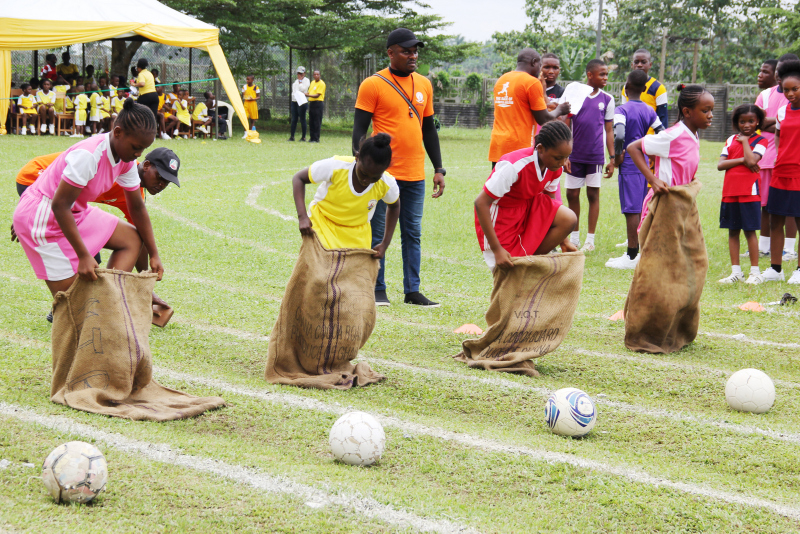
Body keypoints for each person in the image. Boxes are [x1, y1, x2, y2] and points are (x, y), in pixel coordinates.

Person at [11, 99, 164, 307]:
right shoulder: (89, 156)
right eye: (136, 147)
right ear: (117, 132)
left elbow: (137, 208)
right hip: (43, 217)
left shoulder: (126, 160)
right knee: (76, 306)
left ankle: (106, 301)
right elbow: (59, 205)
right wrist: (83, 255)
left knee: (132, 240)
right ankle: (91, 307)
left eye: (143, 149)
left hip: (74, 210)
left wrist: (154, 254)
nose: (138, 154)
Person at [352, 28, 446, 307]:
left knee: (412, 232)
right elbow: (359, 129)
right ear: (390, 52)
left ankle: (412, 291)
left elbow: (429, 129)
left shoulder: (424, 85)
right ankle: (377, 288)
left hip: (415, 174)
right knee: (377, 232)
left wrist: (438, 168)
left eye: (415, 50)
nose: (413, 55)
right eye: (406, 50)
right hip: (384, 174)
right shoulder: (373, 84)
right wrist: (362, 167)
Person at [13, 148, 181, 299]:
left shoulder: (133, 193)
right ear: (146, 166)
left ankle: (91, 303)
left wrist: (144, 283)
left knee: (92, 256)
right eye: (160, 177)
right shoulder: (116, 166)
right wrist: (29, 213)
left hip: (65, 200)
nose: (162, 185)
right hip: (34, 176)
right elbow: (54, 186)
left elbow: (140, 234)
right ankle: (69, 304)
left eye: (167, 182)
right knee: (81, 254)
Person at [474, 121, 578, 270]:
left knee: (569, 218)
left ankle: (529, 263)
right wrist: (497, 250)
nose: (562, 162)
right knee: (508, 270)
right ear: (540, 149)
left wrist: (563, 240)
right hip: (501, 217)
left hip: (527, 210)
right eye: (558, 158)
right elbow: (480, 203)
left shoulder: (554, 166)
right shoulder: (513, 166)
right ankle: (522, 267)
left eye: (566, 157)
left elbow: (550, 204)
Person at [292, 133, 401, 257]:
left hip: (357, 235)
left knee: (355, 276)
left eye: (375, 177)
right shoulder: (337, 166)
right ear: (357, 157)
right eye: (364, 173)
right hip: (323, 224)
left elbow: (394, 206)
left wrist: (385, 244)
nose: (367, 180)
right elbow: (298, 178)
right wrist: (302, 217)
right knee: (321, 271)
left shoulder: (386, 183)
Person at [626, 84, 715, 227]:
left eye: (711, 110)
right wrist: (653, 180)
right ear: (687, 112)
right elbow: (633, 147)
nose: (711, 115)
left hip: (680, 204)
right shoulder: (674, 135)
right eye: (705, 111)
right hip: (664, 204)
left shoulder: (693, 134)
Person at [605, 69, 664, 269]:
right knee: (640, 207)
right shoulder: (649, 110)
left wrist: (618, 156)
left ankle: (631, 255)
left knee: (631, 210)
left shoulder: (621, 110)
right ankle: (639, 252)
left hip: (630, 164)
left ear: (626, 87)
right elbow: (661, 132)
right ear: (644, 89)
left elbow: (619, 135)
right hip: (644, 162)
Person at [560, 59, 615, 252]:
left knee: (593, 194)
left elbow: (609, 130)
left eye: (607, 74)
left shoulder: (607, 99)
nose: (606, 78)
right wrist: (564, 154)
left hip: (595, 156)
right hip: (575, 155)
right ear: (590, 75)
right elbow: (566, 123)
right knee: (572, 194)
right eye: (602, 74)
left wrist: (612, 157)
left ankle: (590, 240)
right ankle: (574, 237)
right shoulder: (575, 95)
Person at [488, 48, 570, 167]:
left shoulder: (502, 80)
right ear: (533, 62)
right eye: (540, 65)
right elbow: (543, 119)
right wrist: (560, 110)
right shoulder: (531, 82)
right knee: (519, 185)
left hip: (498, 146)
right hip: (518, 148)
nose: (540, 70)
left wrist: (545, 106)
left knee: (500, 185)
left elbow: (518, 107)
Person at [717, 104, 768, 284]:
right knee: (732, 231)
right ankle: (736, 272)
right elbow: (720, 165)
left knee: (750, 231)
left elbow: (752, 160)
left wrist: (745, 142)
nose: (746, 125)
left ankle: (755, 273)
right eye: (742, 121)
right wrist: (741, 160)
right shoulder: (730, 140)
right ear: (737, 123)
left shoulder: (761, 141)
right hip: (730, 192)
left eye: (751, 121)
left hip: (749, 192)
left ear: (758, 122)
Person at [757, 54, 799, 261]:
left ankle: (792, 253)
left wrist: (768, 122)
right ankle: (770, 259)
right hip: (776, 164)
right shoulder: (776, 104)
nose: (789, 92)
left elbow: (767, 123)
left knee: (795, 212)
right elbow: (764, 126)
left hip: (796, 169)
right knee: (772, 210)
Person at [621, 49, 668, 130]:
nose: (639, 65)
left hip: (651, 139)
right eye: (636, 62)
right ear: (632, 65)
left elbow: (663, 118)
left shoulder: (658, 88)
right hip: (632, 138)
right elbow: (624, 114)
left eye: (643, 62)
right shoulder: (626, 87)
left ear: (650, 64)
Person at [290, 67, 309, 141]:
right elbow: (294, 92)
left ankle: (303, 137)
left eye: (301, 73)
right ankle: (292, 136)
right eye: (298, 73)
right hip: (294, 101)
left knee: (302, 119)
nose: (299, 75)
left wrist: (301, 82)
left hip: (302, 102)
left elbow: (303, 89)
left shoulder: (306, 80)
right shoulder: (295, 82)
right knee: (294, 119)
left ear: (304, 73)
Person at [307, 70, 326, 143]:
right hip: (312, 103)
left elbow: (317, 95)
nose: (316, 76)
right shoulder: (312, 83)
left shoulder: (322, 83)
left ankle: (316, 138)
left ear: (320, 75)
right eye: (315, 74)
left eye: (317, 74)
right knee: (311, 121)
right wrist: (304, 94)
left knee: (317, 121)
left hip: (318, 103)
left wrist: (308, 95)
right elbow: (310, 92)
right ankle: (312, 137)